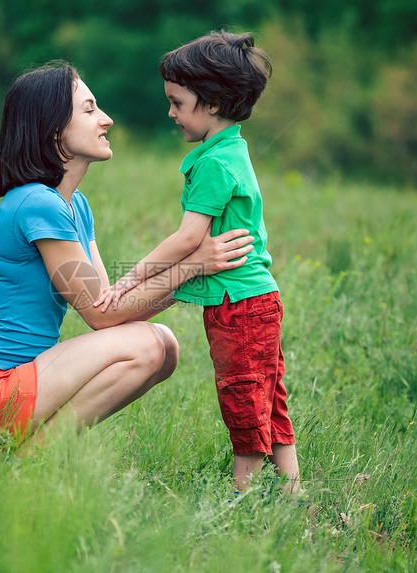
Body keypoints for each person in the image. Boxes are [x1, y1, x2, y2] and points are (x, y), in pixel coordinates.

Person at [0, 62, 255, 445]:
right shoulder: (36, 203)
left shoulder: (75, 206)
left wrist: (193, 268)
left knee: (164, 347)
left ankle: (32, 456)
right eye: (89, 110)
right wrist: (191, 267)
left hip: (20, 383)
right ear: (53, 128)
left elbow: (110, 303)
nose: (105, 120)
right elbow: (100, 314)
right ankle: (31, 464)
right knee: (148, 344)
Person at [95, 32, 302, 494]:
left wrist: (130, 278)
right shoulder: (231, 151)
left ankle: (240, 499)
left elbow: (189, 238)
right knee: (268, 398)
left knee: (243, 397)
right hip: (257, 298)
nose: (170, 113)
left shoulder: (213, 164)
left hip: (238, 304)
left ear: (210, 102)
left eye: (177, 102)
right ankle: (294, 495)